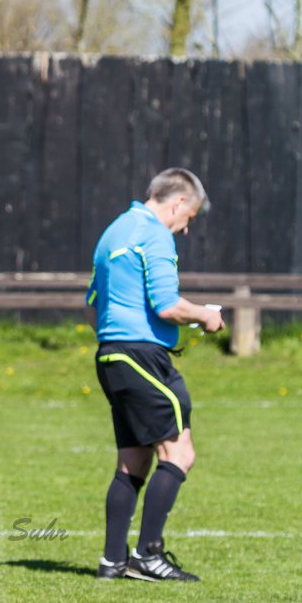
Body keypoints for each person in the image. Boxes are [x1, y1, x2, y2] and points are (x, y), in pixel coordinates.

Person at [88, 167, 223, 582]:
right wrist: (206, 315)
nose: (185, 229)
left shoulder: (114, 230)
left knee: (133, 458)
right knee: (179, 452)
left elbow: (94, 301)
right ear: (179, 202)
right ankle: (148, 555)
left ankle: (113, 560)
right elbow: (167, 304)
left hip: (111, 355)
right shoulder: (154, 233)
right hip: (142, 357)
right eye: (191, 217)